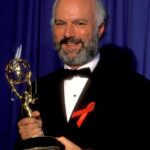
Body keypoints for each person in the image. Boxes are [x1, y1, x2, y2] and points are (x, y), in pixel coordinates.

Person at [15, 0, 150, 149]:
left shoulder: (137, 88)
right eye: (60, 23)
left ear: (100, 29)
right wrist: (31, 140)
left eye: (79, 23)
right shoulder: (36, 89)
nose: (68, 33)